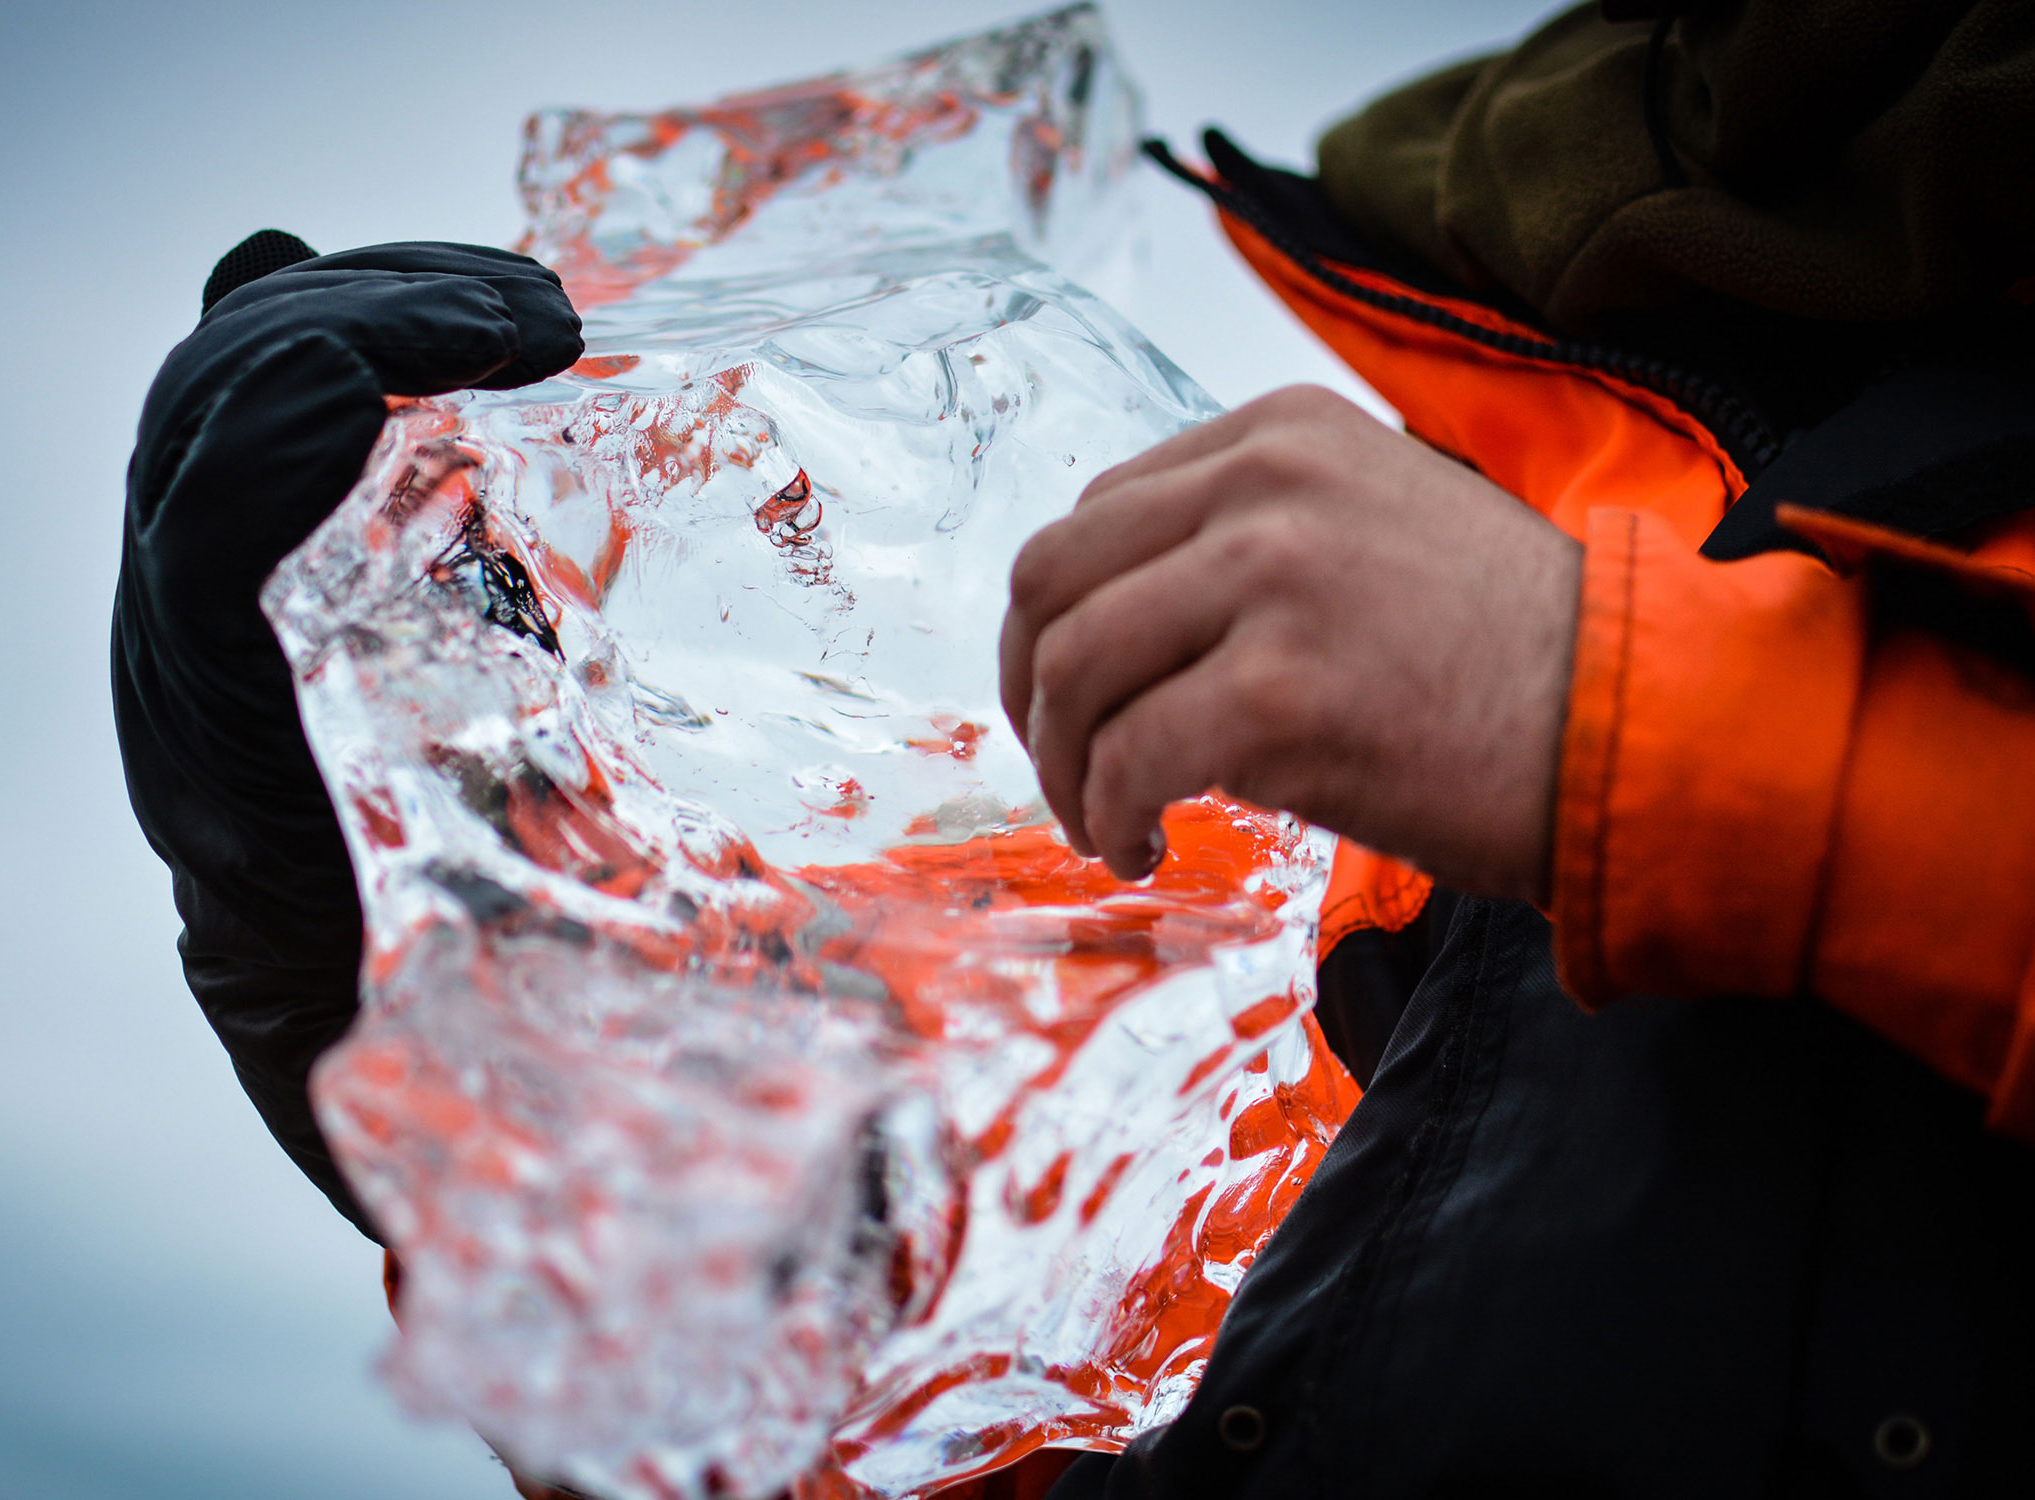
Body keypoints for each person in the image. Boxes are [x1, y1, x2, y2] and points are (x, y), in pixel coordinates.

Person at [114, 1, 2035, 1495]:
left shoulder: (1480, 616)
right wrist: (445, 958)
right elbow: (983, 1393)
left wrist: (1650, 739)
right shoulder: (1441, 584)